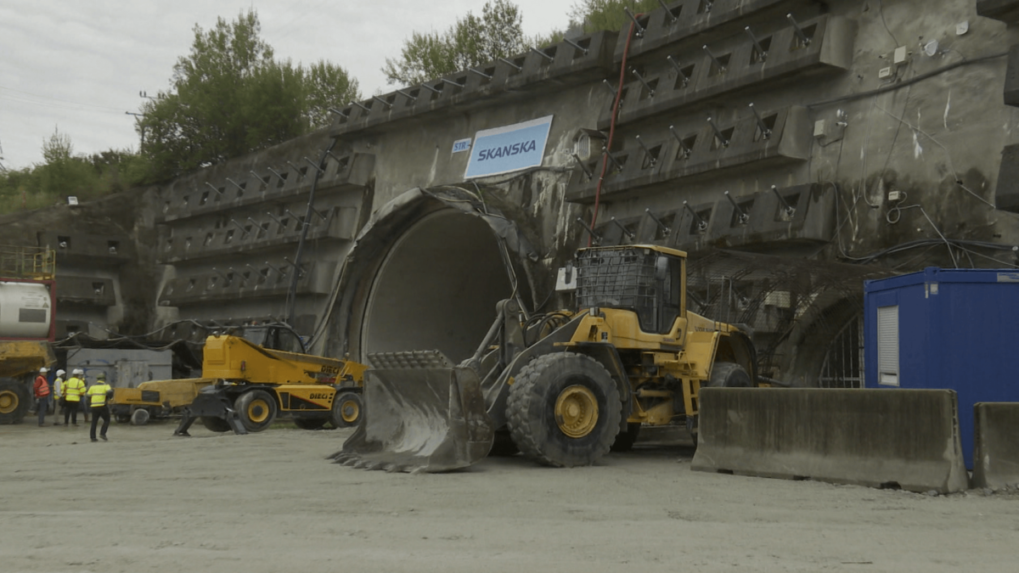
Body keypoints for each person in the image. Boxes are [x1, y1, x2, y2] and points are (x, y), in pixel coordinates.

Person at [86, 371, 113, 442]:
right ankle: (102, 433)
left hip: (94, 406)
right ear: (104, 379)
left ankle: (93, 437)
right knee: (107, 419)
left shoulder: (92, 387)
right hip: (102, 406)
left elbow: (88, 396)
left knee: (94, 422)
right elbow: (110, 392)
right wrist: (110, 398)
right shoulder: (106, 386)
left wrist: (90, 403)